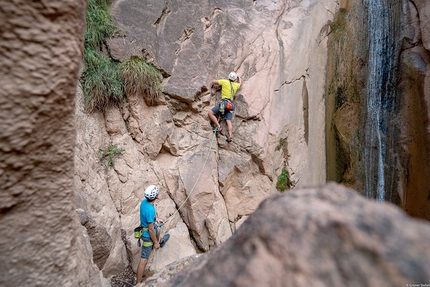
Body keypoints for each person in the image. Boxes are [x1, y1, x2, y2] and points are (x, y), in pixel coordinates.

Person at [136, 185, 170, 284]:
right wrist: (155, 243)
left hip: (145, 228)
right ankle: (137, 283)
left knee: (158, 228)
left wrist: (156, 219)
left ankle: (160, 241)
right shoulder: (150, 209)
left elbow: (148, 218)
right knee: (144, 260)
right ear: (156, 197)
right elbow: (151, 229)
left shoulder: (144, 202)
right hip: (147, 236)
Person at [208, 71, 242, 143]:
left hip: (225, 103)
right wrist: (239, 77)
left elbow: (214, 82)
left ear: (229, 76)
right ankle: (230, 136)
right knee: (228, 121)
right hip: (231, 105)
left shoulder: (225, 82)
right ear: (235, 79)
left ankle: (218, 126)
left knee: (210, 113)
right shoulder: (236, 85)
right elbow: (240, 84)